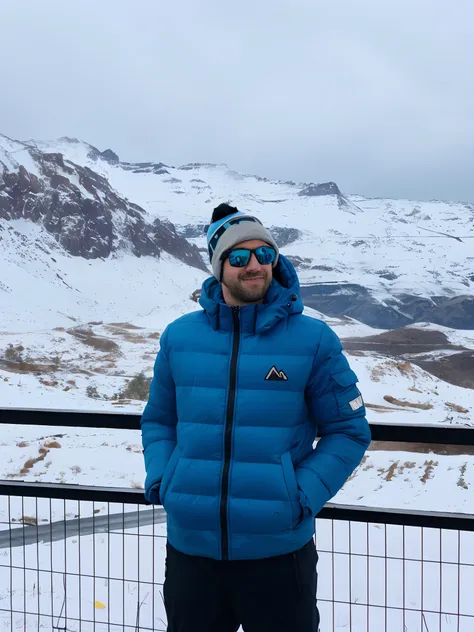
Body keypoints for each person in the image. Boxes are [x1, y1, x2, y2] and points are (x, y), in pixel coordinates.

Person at [141, 203, 371, 632]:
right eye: (240, 256)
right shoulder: (179, 337)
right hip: (192, 553)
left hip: (278, 554)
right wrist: (164, 479)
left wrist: (300, 496)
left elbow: (348, 431)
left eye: (265, 255)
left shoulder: (313, 340)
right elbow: (159, 420)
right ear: (218, 266)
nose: (254, 266)